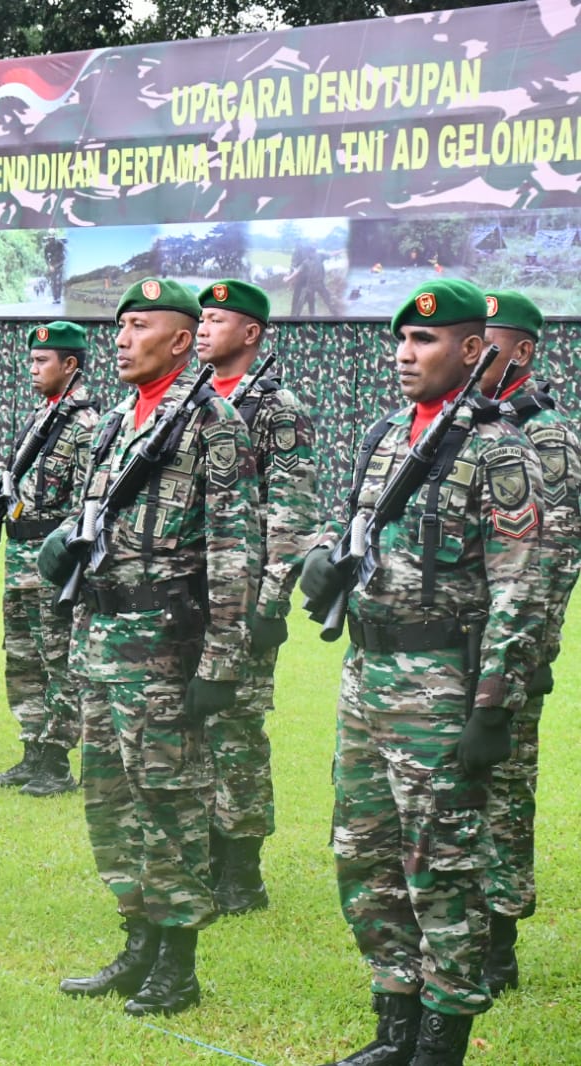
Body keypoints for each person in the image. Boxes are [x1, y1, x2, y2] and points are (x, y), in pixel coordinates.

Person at [300, 279, 543, 1065]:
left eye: (426, 342)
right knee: (362, 855)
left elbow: (521, 585)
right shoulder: (384, 435)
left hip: (443, 684)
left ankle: (441, 1042)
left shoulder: (499, 450)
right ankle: (392, 1027)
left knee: (440, 866)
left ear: (472, 351)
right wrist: (321, 563)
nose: (406, 354)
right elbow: (359, 537)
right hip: (367, 672)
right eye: (400, 340)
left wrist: (492, 708)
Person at [41, 277, 261, 1016]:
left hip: (166, 648)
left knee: (168, 803)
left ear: (177, 339)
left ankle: (178, 962)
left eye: (139, 327)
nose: (121, 339)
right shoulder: (112, 421)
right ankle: (136, 942)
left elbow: (236, 550)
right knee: (109, 801)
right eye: (120, 326)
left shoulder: (213, 424)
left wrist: (222, 661)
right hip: (102, 641)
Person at [194, 279, 319, 914]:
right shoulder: (188, 401)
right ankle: (201, 854)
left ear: (251, 333)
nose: (203, 328)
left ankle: (241, 870)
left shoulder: (275, 408)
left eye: (217, 319)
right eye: (200, 318)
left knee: (235, 732)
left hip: (243, 597)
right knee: (190, 725)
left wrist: (271, 603)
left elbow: (292, 511)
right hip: (190, 592)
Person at [474, 290, 580, 998]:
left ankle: (498, 942)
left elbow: (556, 558)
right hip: (444, 650)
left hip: (507, 652)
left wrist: (524, 664)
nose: (467, 350)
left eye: (485, 340)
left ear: (521, 352)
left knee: (502, 798)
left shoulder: (546, 436)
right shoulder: (457, 425)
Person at [0, 322, 100, 797]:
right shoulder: (42, 419)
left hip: (52, 558)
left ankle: (57, 760)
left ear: (70, 366)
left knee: (58, 659)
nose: (32, 369)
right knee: (23, 658)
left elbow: (89, 499)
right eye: (30, 360)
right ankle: (32, 751)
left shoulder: (86, 425)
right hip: (18, 554)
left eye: (41, 361)